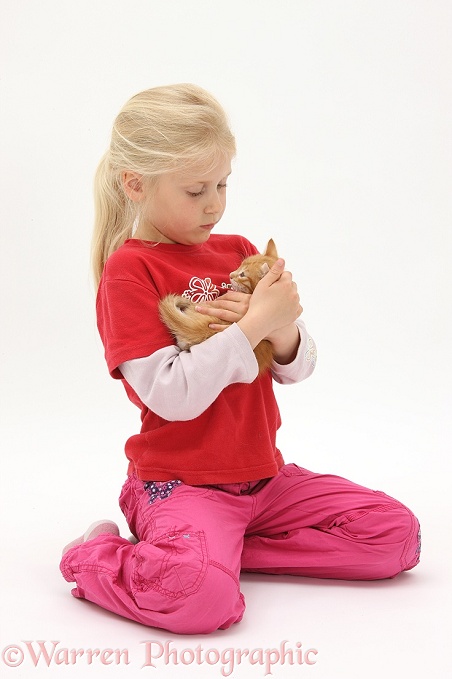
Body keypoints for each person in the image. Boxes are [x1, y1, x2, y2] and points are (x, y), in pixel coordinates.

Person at [60, 84, 421, 634]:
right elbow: (171, 397)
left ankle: (215, 553)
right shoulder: (130, 272)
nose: (215, 203)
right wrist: (253, 322)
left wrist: (282, 329)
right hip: (180, 483)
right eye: (196, 189)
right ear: (135, 184)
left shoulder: (238, 251)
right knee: (200, 602)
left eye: (223, 184)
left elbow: (297, 368)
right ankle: (101, 555)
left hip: (263, 481)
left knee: (394, 537)